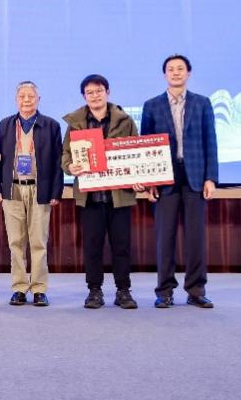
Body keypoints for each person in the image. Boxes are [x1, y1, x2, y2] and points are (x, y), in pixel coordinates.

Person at [140, 54, 219, 309]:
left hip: (195, 177)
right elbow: (145, 147)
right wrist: (149, 182)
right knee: (165, 238)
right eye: (171, 69)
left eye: (180, 68)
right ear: (165, 74)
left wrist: (211, 178)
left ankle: (196, 290)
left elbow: (211, 142)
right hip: (165, 179)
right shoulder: (151, 105)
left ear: (188, 73)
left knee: (196, 238)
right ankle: (164, 291)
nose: (176, 72)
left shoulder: (202, 103)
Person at [62, 74, 144, 310]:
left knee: (122, 246)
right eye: (90, 92)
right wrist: (70, 166)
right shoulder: (76, 123)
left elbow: (136, 152)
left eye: (99, 91)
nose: (95, 96)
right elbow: (65, 154)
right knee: (92, 246)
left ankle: (123, 291)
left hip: (119, 196)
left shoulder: (125, 121)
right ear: (84, 96)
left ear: (108, 92)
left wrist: (139, 178)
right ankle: (94, 291)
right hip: (90, 197)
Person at [0, 81, 64, 307]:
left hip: (39, 189)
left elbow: (58, 161)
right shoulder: (5, 124)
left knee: (39, 241)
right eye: (22, 96)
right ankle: (19, 288)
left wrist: (56, 191)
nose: (26, 100)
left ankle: (39, 289)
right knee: (15, 242)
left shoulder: (51, 125)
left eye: (31, 96)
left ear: (38, 99)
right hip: (12, 189)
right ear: (16, 100)